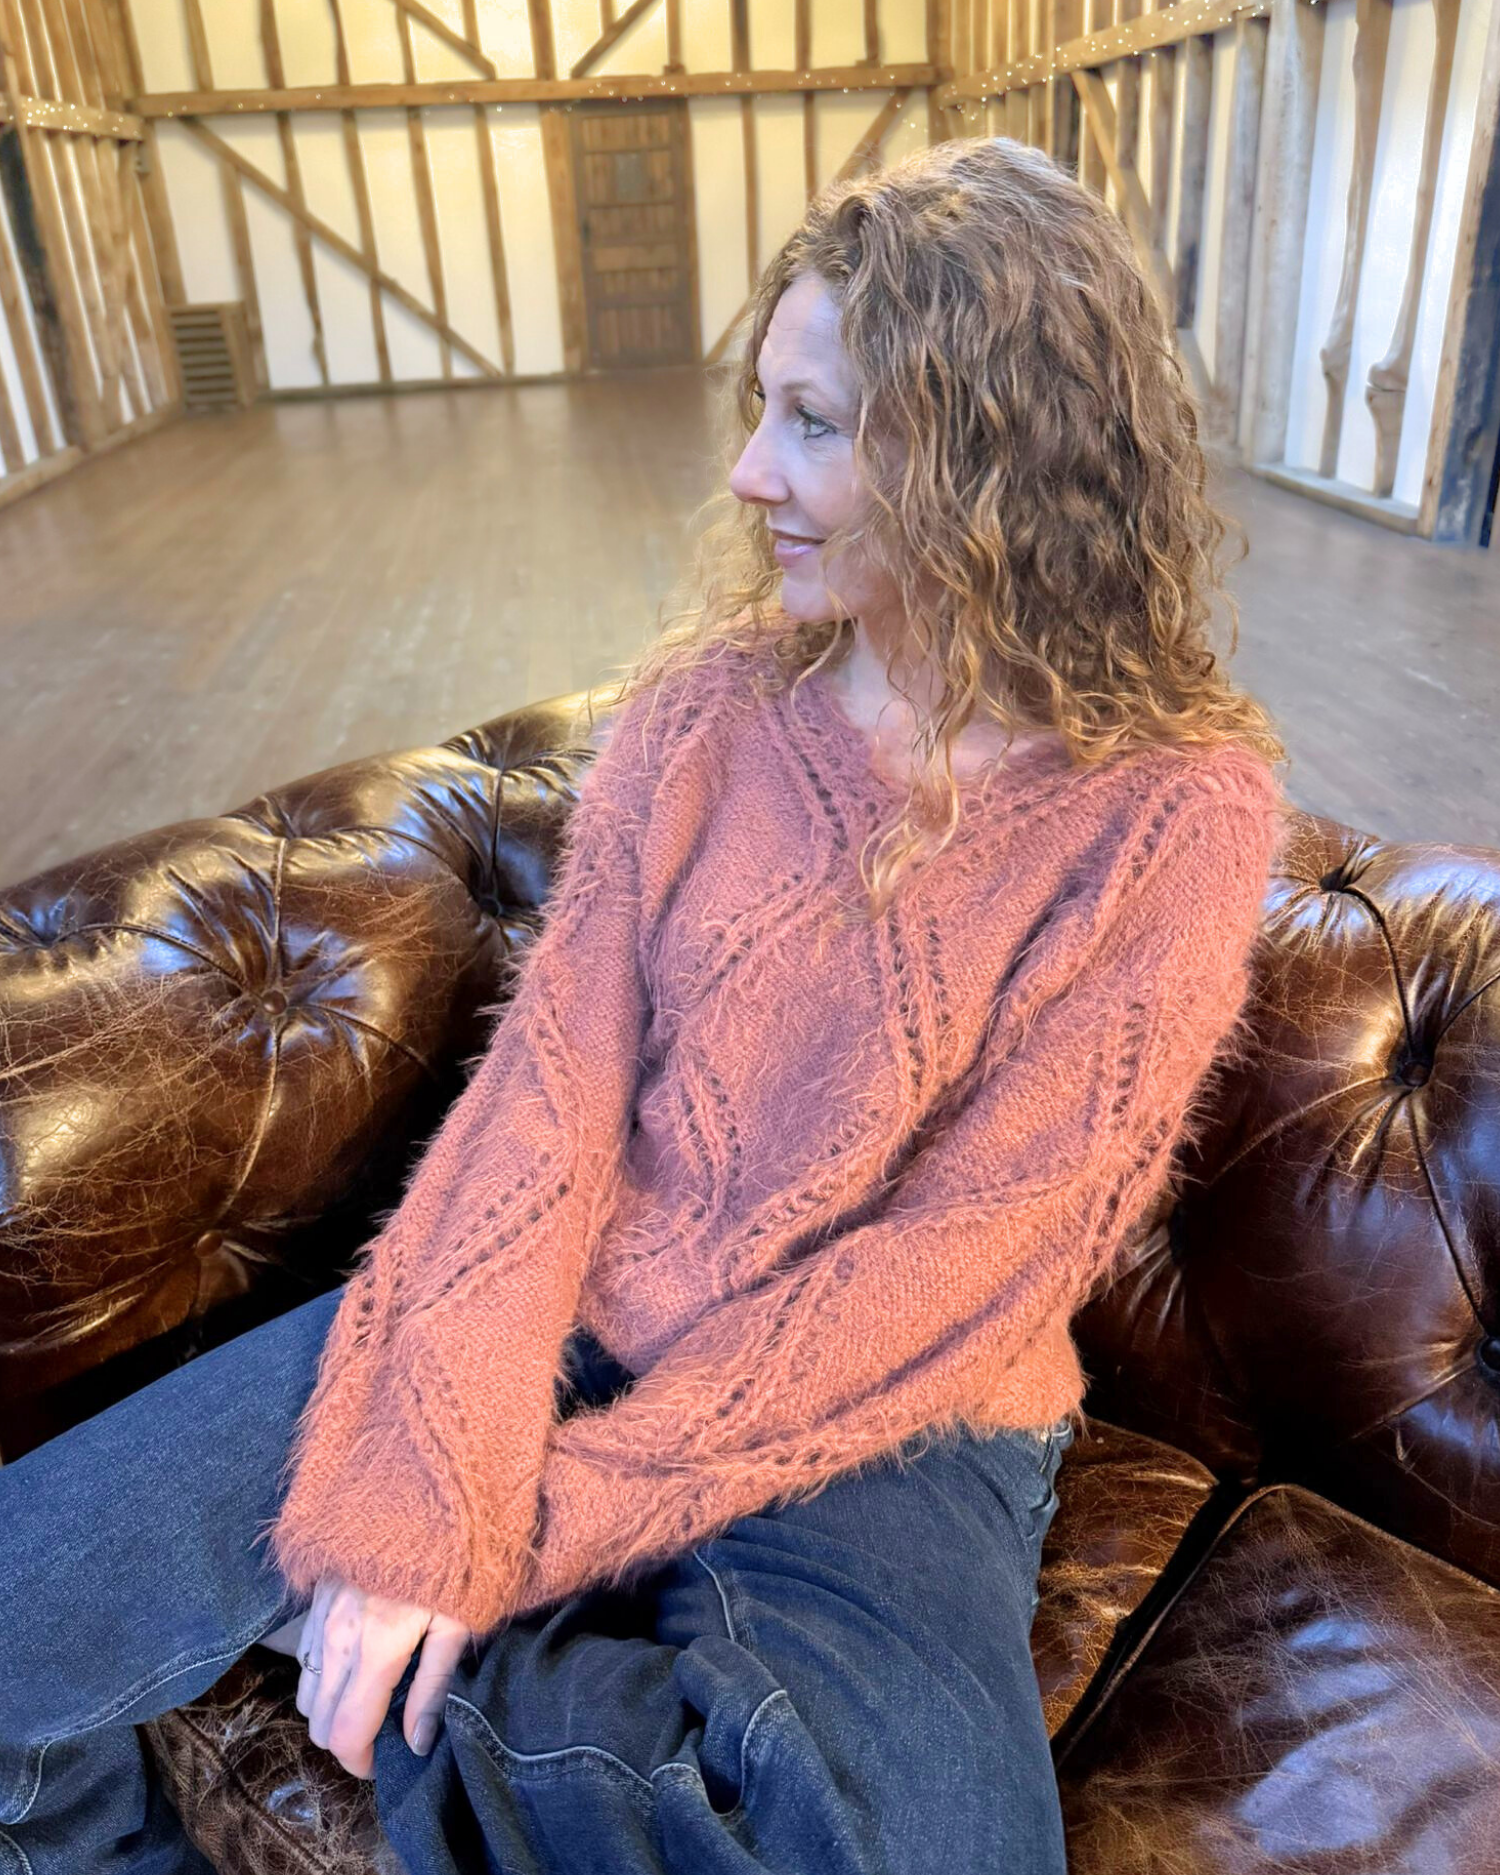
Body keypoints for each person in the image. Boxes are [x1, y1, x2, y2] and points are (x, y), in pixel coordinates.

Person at [0, 133, 1291, 1875]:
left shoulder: (1175, 806)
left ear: (997, 448)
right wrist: (432, 1450)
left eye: (816, 423)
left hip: (907, 1410)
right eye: (760, 407)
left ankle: (441, 1702)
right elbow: (545, 1100)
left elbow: (975, 1254)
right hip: (585, 1302)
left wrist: (507, 1529)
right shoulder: (704, 716)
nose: (751, 469)